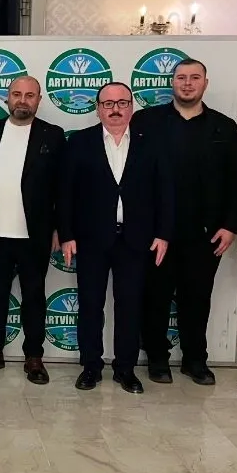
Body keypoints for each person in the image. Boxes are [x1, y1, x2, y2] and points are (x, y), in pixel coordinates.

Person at [131, 59, 237, 385]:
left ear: (205, 84)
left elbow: (236, 181)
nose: (187, 83)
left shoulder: (224, 126)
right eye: (181, 77)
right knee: (154, 297)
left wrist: (231, 225)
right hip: (156, 232)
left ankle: (195, 360)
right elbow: (132, 174)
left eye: (195, 77)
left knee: (197, 299)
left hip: (206, 234)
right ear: (173, 82)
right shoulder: (146, 121)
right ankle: (157, 359)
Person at [60, 82, 173, 394]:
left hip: (136, 240)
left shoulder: (151, 142)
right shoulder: (80, 142)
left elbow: (165, 191)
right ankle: (90, 367)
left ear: (131, 107)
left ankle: (126, 369)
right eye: (108, 104)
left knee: (130, 306)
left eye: (122, 103)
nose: (115, 109)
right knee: (90, 305)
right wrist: (66, 234)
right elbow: (65, 192)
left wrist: (163, 233)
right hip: (91, 239)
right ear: (98, 109)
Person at [0, 75, 64, 385]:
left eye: (29, 95)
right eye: (17, 94)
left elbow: (62, 188)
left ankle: (34, 356)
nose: (22, 100)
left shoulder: (53, 135)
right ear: (7, 98)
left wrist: (59, 229)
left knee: (34, 297)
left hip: (34, 235)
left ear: (39, 100)